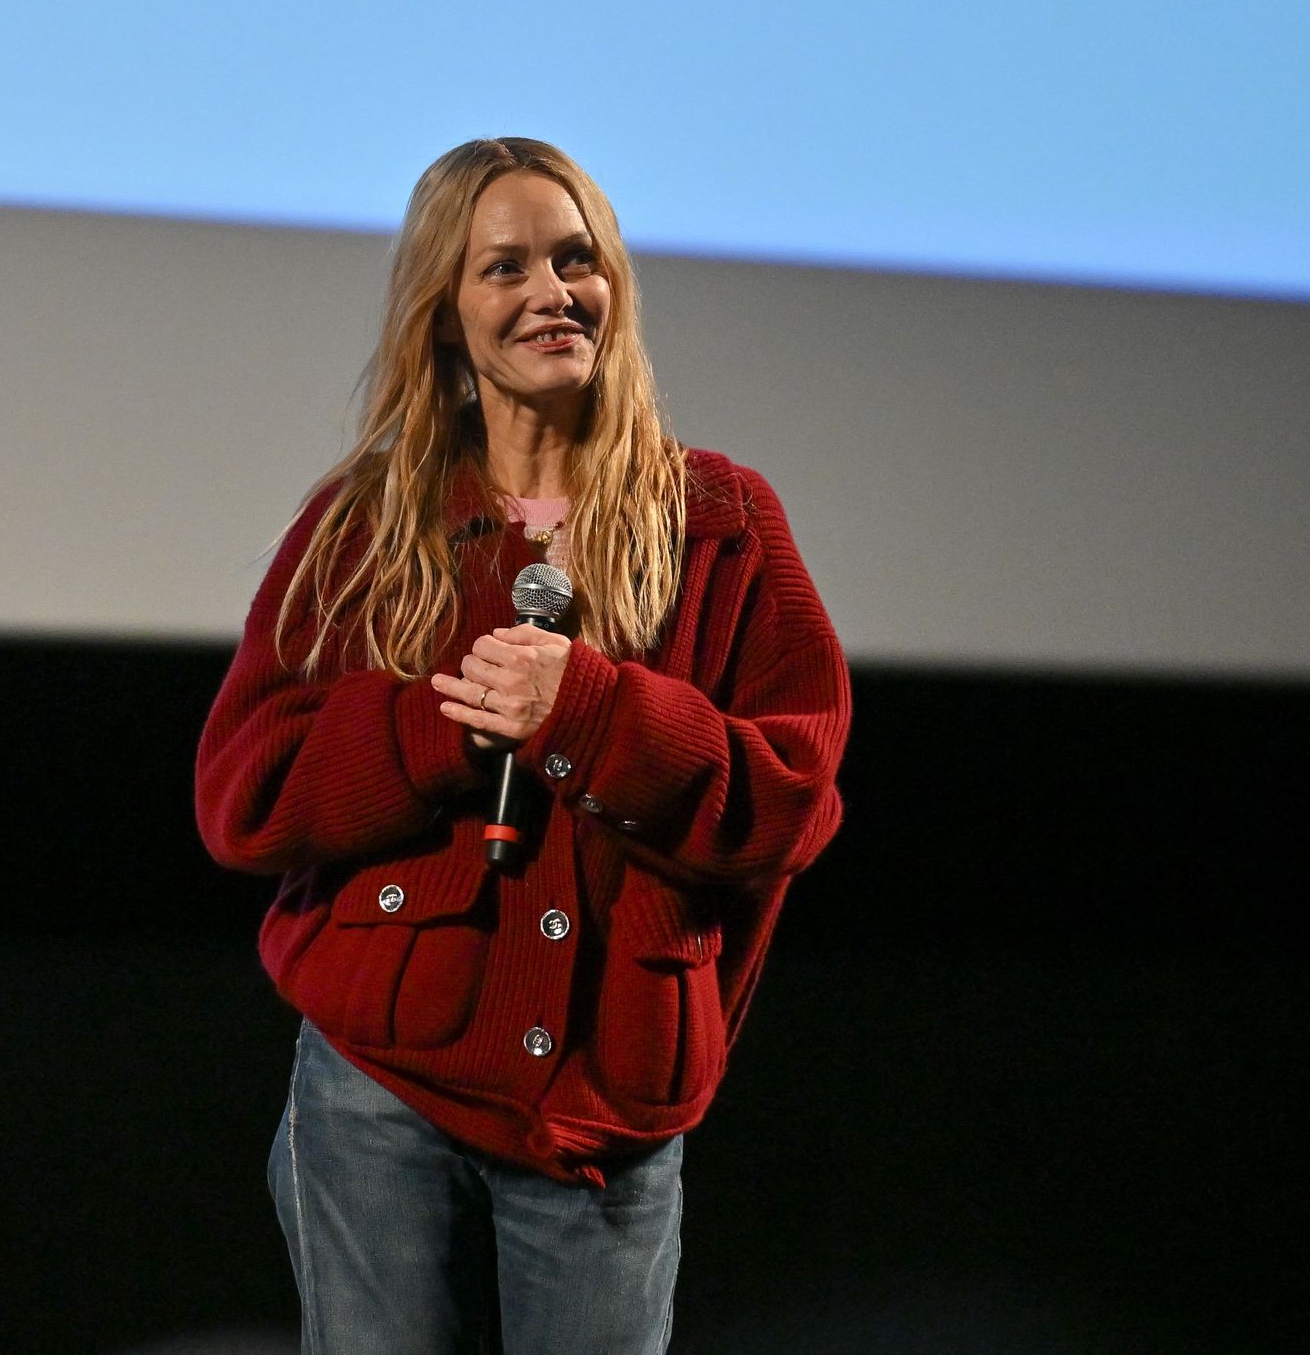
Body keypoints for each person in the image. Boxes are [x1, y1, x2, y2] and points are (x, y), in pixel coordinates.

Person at [194, 137, 851, 1354]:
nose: (553, 292)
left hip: (605, 1103)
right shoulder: (366, 525)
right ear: (445, 316)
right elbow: (247, 791)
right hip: (380, 1086)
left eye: (576, 259)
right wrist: (438, 721)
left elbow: (794, 801)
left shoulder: (718, 523)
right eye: (505, 268)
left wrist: (593, 715)